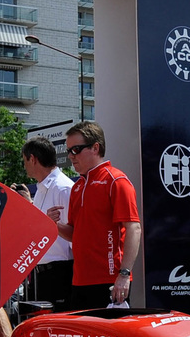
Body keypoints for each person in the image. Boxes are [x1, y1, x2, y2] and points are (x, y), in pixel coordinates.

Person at [58, 121, 142, 309]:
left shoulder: (116, 180)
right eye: (69, 150)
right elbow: (75, 233)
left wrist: (124, 274)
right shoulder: (77, 187)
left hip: (110, 280)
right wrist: (51, 225)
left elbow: (134, 228)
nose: (71, 156)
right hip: (80, 281)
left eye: (76, 149)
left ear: (95, 148)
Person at [22, 137, 74, 310]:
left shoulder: (63, 188)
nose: (24, 166)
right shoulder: (40, 191)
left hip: (60, 272)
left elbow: (74, 234)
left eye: (24, 160)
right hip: (41, 274)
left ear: (33, 159)